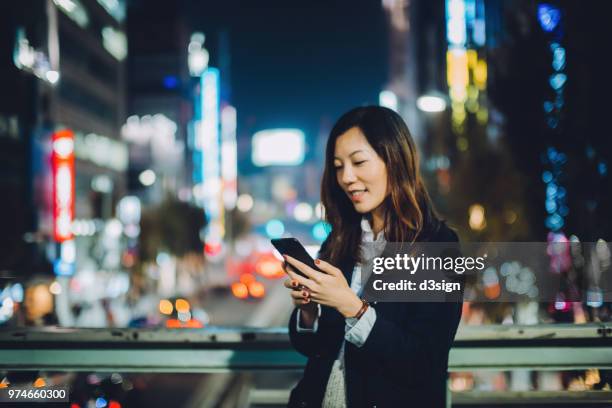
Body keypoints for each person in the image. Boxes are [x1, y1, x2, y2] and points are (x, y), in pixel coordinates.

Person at [283, 106, 463, 408]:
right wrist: (309, 310)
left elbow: (424, 360)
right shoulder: (339, 239)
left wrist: (352, 307)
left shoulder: (438, 246)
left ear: (394, 160)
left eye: (358, 162)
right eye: (338, 166)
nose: (346, 177)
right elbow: (314, 347)